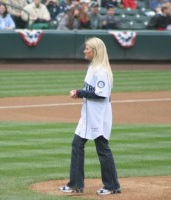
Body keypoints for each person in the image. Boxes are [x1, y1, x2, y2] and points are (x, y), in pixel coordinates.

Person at [59, 37, 121, 196]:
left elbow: (101, 95)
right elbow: (91, 90)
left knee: (102, 148)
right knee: (77, 145)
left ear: (95, 51)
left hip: (99, 116)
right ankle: (76, 184)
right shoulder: (92, 67)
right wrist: (81, 92)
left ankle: (112, 185)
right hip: (88, 115)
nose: (84, 51)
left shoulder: (101, 71)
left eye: (87, 48)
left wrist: (80, 93)